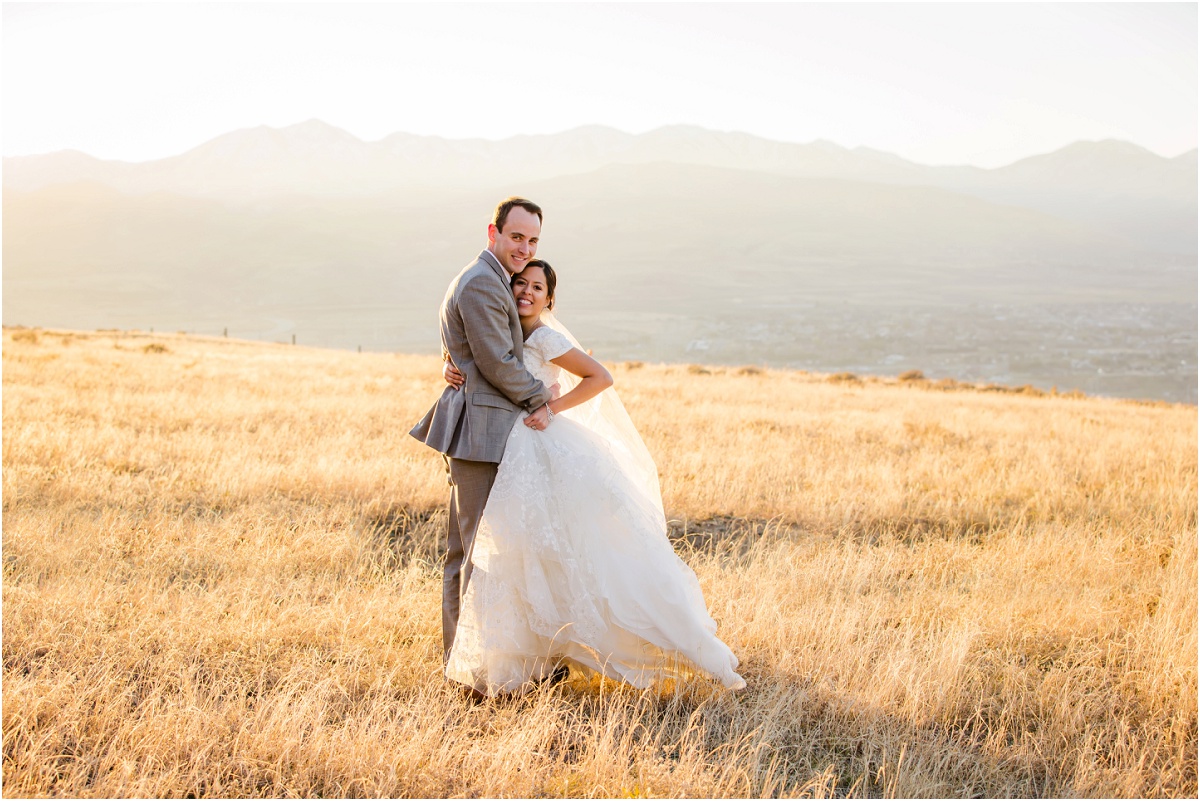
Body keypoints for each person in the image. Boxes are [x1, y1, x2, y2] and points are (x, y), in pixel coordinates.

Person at [437, 258, 746, 696]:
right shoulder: (507, 332)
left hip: (543, 446)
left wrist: (550, 407)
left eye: (537, 287)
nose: (526, 291)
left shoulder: (544, 336)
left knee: (587, 554)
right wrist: (450, 365)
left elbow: (600, 376)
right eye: (520, 283)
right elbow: (481, 356)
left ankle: (675, 645)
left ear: (549, 299)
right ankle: (528, 662)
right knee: (527, 556)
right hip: (515, 453)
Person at [409, 197, 558, 668]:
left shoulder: (492, 280)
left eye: (532, 240)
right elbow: (496, 361)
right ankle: (468, 669)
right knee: (474, 554)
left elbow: (469, 353)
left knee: (476, 550)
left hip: (490, 428)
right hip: (479, 433)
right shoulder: (480, 282)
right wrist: (543, 398)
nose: (524, 247)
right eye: (517, 237)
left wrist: (455, 366)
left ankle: (479, 659)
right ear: (492, 233)